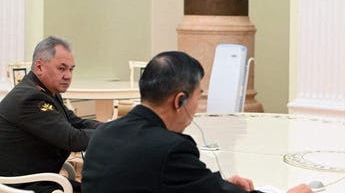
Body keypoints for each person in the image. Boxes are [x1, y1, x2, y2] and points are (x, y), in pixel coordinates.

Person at [82, 51, 311, 193]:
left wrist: (222, 186)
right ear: (179, 100)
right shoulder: (170, 149)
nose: (197, 106)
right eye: (198, 96)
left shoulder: (104, 133)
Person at [0, 36, 101, 192]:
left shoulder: (47, 92)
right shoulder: (30, 98)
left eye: (71, 69)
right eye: (62, 68)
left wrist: (115, 127)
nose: (68, 75)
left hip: (38, 179)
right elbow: (72, 139)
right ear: (39, 67)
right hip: (22, 186)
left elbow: (77, 123)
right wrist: (114, 133)